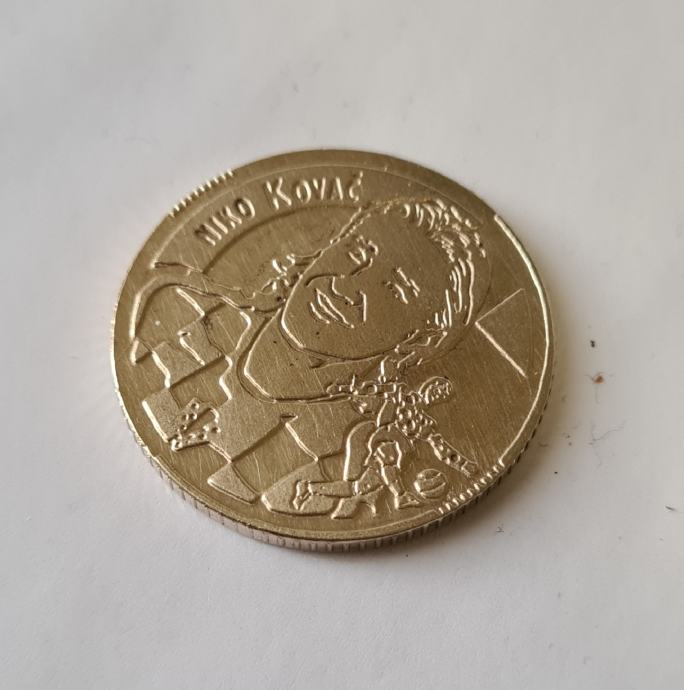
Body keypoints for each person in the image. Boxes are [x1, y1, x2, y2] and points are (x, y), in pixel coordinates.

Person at [131, 198, 490, 516]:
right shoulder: (177, 312)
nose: (346, 286)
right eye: (357, 252)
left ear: (417, 339)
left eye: (395, 289)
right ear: (324, 249)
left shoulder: (340, 460)